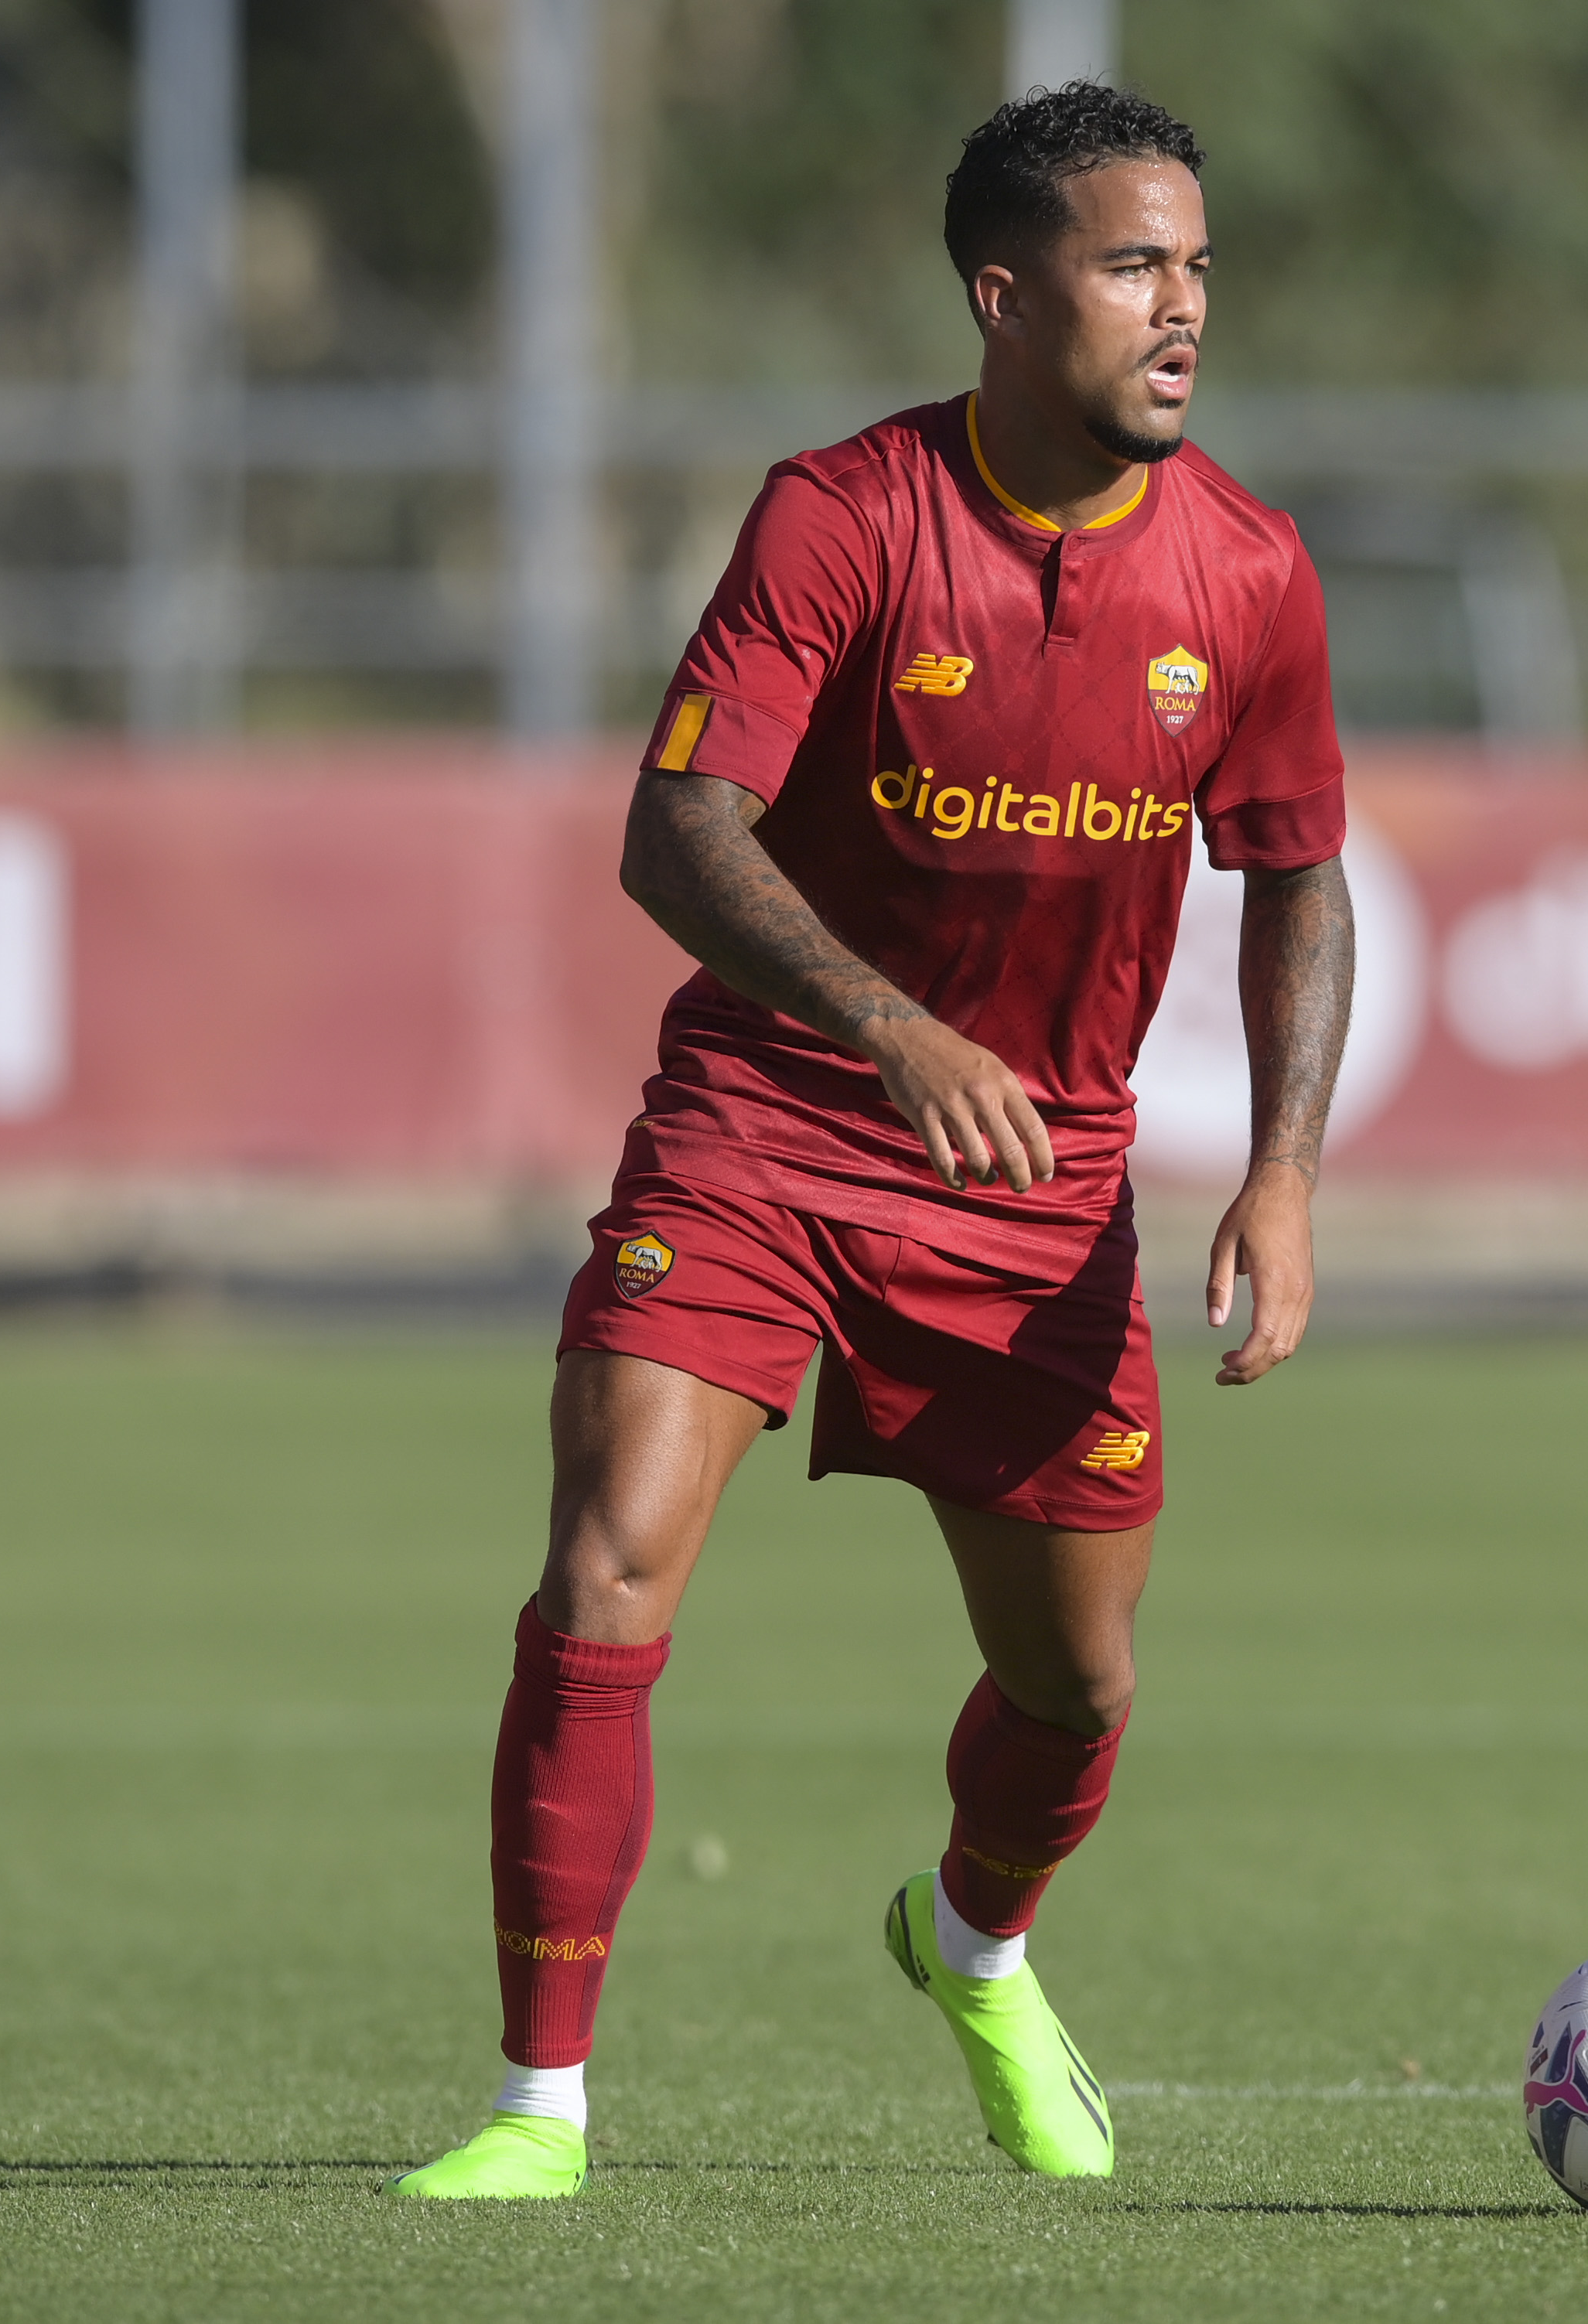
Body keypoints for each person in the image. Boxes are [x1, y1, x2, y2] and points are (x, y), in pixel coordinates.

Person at [395, 80, 1352, 2201]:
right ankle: (535, 2111)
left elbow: (1296, 872)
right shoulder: (841, 515)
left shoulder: (1250, 573)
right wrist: (883, 1023)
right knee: (604, 1570)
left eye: (1195, 263)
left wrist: (1280, 1175)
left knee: (1073, 1686)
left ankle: (973, 1941)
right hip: (762, 1125)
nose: (1181, 307)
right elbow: (674, 826)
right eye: (1130, 267)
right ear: (1003, 298)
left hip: (1038, 1187)